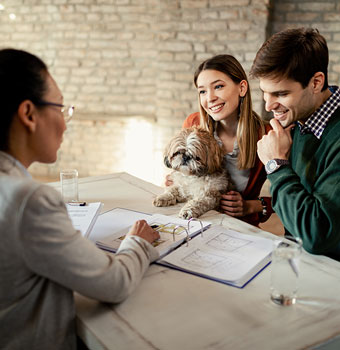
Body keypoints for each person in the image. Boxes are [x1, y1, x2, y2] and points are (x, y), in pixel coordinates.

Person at [0, 48, 160, 349]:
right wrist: (137, 241)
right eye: (60, 108)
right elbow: (115, 282)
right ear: (28, 114)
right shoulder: (29, 201)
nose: (64, 122)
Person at [251, 28, 340, 260]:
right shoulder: (299, 121)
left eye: (280, 94)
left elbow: (317, 235)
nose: (268, 105)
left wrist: (276, 166)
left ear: (316, 82)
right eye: (264, 93)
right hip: (298, 260)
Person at [181, 54, 273, 226]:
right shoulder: (193, 124)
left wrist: (251, 206)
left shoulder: (267, 134)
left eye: (218, 86)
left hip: (238, 229)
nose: (210, 98)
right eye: (202, 91)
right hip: (196, 223)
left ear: (242, 88)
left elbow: (291, 194)